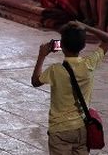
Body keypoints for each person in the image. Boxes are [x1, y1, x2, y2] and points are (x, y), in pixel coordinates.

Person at [31, 21, 108, 154]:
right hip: (82, 128)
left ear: (62, 46)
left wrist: (42, 55)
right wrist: (87, 27)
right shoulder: (89, 64)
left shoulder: (55, 70)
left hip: (59, 130)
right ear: (83, 46)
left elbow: (35, 81)